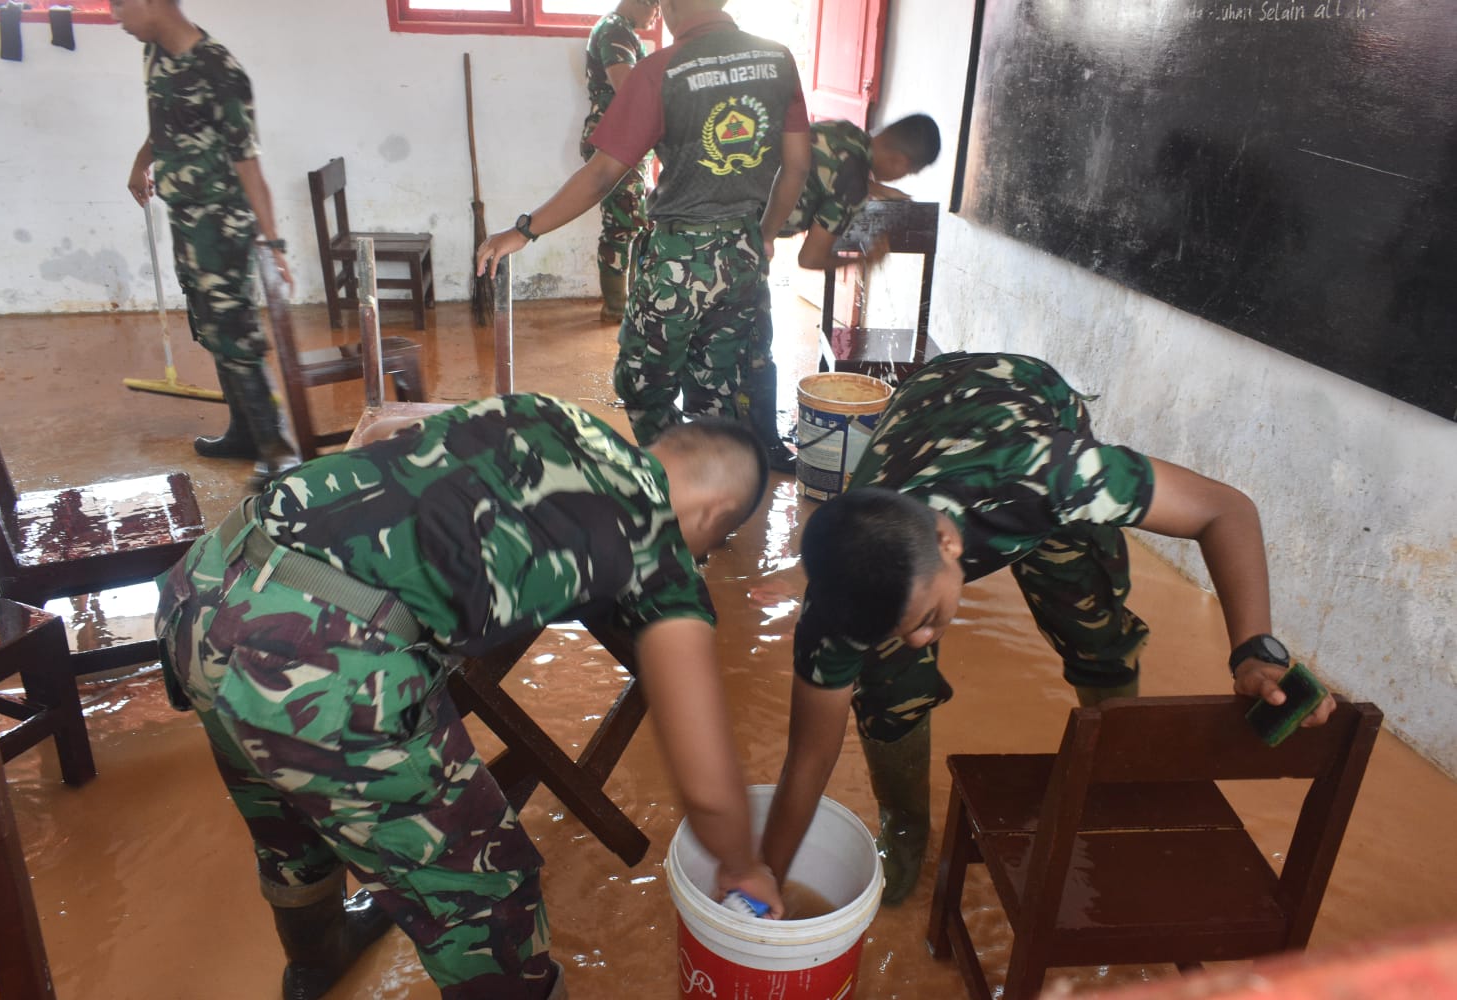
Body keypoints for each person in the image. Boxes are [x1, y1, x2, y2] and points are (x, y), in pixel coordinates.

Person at [155, 394, 783, 1000]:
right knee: (489, 896)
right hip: (318, 667)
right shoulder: (658, 543)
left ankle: (319, 962)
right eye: (711, 545)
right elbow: (705, 780)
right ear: (711, 517)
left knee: (287, 821)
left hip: (207, 587)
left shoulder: (548, 412)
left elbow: (382, 435)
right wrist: (741, 865)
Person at [758, 351, 1336, 906]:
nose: (921, 640)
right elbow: (808, 757)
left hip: (1026, 404)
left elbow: (1226, 510)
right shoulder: (837, 601)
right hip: (925, 410)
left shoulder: (1055, 478)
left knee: (1092, 626)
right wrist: (766, 879)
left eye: (927, 619)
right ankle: (905, 828)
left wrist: (1254, 652)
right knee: (884, 681)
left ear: (950, 544)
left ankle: (1109, 775)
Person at [477, 0, 812, 450]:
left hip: (678, 260)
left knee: (642, 384)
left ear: (670, 5)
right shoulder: (778, 60)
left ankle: (675, 477)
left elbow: (600, 175)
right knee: (718, 388)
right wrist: (765, 235)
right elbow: (797, 167)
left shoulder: (661, 70)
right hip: (743, 250)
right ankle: (717, 491)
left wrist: (524, 230)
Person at [114, 0, 298, 490]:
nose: (114, 14)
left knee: (236, 331)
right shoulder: (154, 51)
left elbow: (249, 167)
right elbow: (164, 119)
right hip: (186, 218)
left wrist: (274, 243)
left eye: (119, 3)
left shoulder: (221, 71)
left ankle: (279, 452)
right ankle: (244, 433)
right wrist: (140, 163)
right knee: (209, 326)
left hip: (223, 226)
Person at [741, 113, 943, 471]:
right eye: (907, 173)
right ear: (899, 161)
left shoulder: (843, 132)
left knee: (722, 342)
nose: (901, 179)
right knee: (755, 350)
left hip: (724, 213)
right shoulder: (851, 181)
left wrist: (873, 189)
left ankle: (729, 434)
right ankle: (764, 449)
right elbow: (810, 257)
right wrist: (863, 261)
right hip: (741, 240)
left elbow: (828, 171)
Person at [580, 0, 660, 322]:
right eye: (655, 6)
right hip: (617, 140)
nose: (657, 15)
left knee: (637, 221)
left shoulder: (622, 30)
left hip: (628, 140)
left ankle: (630, 304)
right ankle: (615, 310)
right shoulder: (614, 29)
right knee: (621, 225)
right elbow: (627, 88)